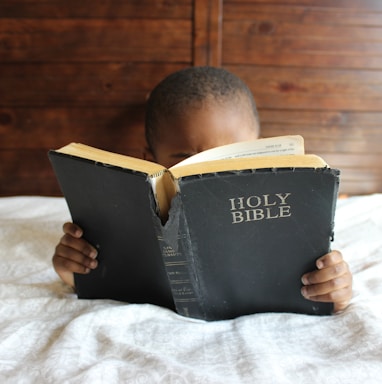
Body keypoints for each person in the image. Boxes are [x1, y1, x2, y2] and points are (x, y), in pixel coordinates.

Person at [52, 66, 352, 313]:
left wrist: (333, 289)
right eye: (187, 159)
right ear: (150, 160)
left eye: (233, 156)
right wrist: (74, 269)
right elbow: (96, 278)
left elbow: (326, 289)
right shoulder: (126, 217)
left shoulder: (288, 211)